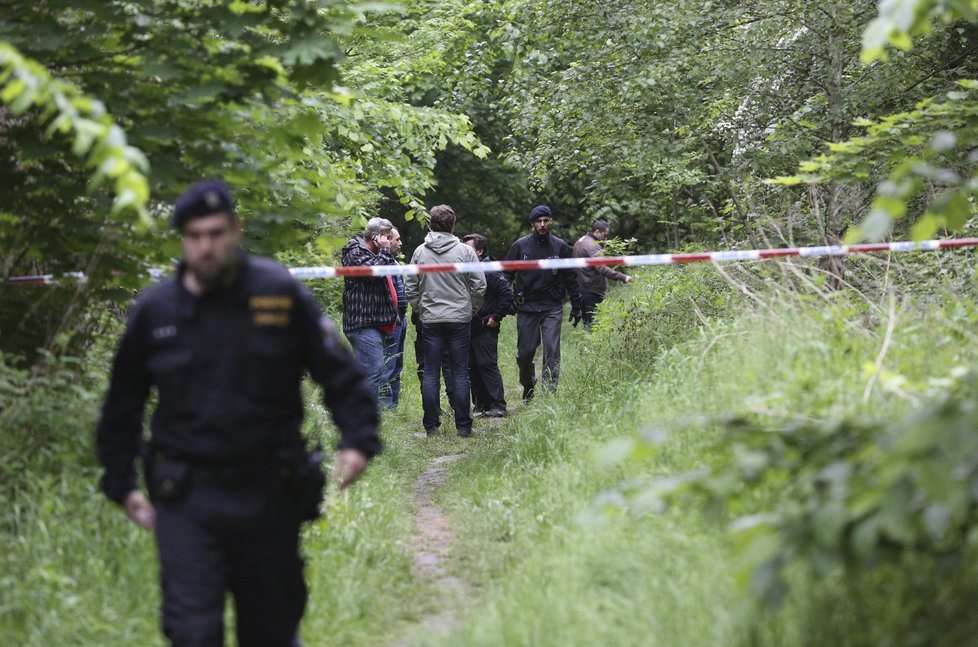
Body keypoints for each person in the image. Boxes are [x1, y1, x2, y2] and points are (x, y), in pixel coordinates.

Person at [95, 180, 382, 647]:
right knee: (192, 630)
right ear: (183, 239)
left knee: (270, 629)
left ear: (235, 229)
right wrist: (121, 482)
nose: (205, 247)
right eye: (194, 236)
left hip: (268, 490)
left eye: (215, 233)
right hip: (186, 494)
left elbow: (340, 373)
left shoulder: (278, 293)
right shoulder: (157, 309)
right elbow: (122, 404)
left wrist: (357, 441)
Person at [405, 205, 486, 437]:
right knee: (460, 372)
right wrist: (471, 309)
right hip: (459, 318)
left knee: (430, 371)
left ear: (431, 223)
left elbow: (410, 286)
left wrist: (420, 309)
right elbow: (480, 285)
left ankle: (431, 426)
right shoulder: (466, 251)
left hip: (430, 318)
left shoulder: (420, 251)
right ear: (453, 224)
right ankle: (463, 426)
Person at [505, 205, 582, 401]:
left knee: (552, 351)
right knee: (525, 354)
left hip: (552, 306)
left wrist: (576, 304)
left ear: (551, 221)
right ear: (532, 224)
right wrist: (508, 301)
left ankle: (549, 396)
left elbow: (570, 277)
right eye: (538, 221)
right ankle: (528, 384)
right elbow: (505, 276)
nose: (542, 224)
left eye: (546, 220)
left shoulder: (560, 246)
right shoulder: (519, 246)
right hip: (526, 306)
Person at [341, 217, 399, 402]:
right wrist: (384, 250)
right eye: (388, 237)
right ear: (376, 238)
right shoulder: (355, 252)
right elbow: (375, 274)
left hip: (375, 323)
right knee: (372, 373)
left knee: (370, 372)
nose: (390, 242)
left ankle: (358, 414)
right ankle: (363, 418)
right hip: (362, 324)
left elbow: (389, 271)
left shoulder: (377, 254)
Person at [462, 233, 514, 418]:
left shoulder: (490, 269)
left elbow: (507, 295)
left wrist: (496, 317)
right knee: (472, 366)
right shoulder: (467, 269)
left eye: (469, 249)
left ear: (480, 251)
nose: (464, 252)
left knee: (487, 364)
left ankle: (498, 405)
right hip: (469, 325)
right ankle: (480, 405)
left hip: (486, 325)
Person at [572, 219, 632, 330]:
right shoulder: (593, 245)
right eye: (605, 235)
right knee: (593, 327)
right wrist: (622, 277)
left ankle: (590, 346)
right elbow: (601, 268)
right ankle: (593, 347)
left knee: (589, 325)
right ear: (597, 232)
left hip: (582, 289)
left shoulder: (582, 241)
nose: (606, 239)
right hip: (591, 291)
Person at [379, 227, 408, 410]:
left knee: (397, 365)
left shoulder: (394, 262)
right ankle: (385, 407)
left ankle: (393, 406)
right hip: (390, 320)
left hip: (400, 319)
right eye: (397, 239)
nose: (400, 243)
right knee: (387, 366)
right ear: (387, 240)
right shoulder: (380, 262)